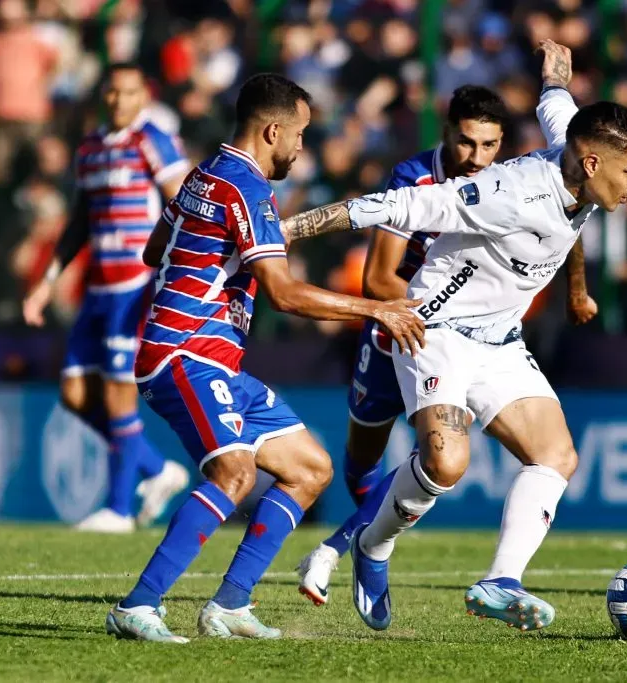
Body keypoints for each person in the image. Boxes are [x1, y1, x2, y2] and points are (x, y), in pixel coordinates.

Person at [278, 40, 627, 632]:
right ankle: (372, 546)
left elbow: (558, 104)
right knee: (446, 464)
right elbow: (391, 207)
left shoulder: (578, 153)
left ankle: (500, 581)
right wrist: (286, 230)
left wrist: (554, 71)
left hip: (500, 340)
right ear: (595, 163)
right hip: (436, 328)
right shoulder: (508, 193)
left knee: (557, 455)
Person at [103, 73, 425, 643]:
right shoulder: (245, 189)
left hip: (210, 358)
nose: (302, 147)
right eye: (298, 134)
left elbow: (157, 249)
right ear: (273, 130)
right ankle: (138, 605)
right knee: (234, 472)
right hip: (184, 352)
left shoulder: (204, 176)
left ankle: (229, 604)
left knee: (310, 468)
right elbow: (285, 293)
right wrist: (375, 310)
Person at [23, 62, 191, 533]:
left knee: (119, 395)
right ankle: (156, 469)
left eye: (129, 92)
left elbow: (184, 204)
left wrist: (178, 273)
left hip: (135, 288)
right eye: (113, 93)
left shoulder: (153, 140)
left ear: (144, 96)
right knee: (75, 394)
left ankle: (118, 510)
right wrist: (46, 281)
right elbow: (79, 221)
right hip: (96, 288)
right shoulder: (92, 149)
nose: (119, 101)